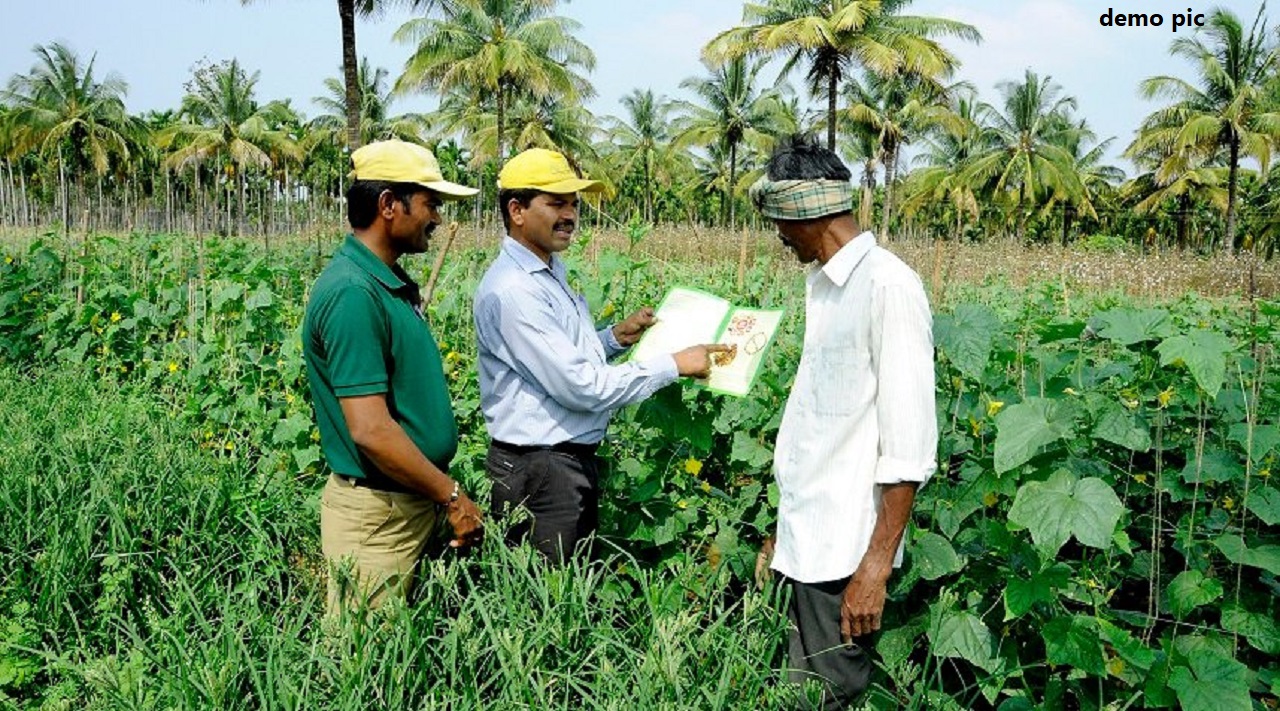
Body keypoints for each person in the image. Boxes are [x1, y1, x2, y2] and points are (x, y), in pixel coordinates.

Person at [749, 135, 938, 709]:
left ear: (805, 213)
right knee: (798, 695)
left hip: (843, 556)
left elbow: (908, 448)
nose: (778, 236)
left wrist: (874, 567)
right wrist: (783, 533)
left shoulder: (887, 286)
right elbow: (821, 432)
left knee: (830, 696)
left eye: (779, 222)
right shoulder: (828, 287)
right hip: (808, 544)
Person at [473, 147, 727, 562]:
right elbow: (581, 387)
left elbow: (555, 359)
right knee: (551, 593)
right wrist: (674, 364)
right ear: (516, 210)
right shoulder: (516, 291)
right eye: (556, 203)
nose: (570, 215)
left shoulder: (547, 271)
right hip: (540, 472)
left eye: (573, 204)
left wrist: (613, 339)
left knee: (568, 587)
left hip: (556, 466)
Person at [303, 139, 485, 614]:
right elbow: (370, 429)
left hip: (405, 504)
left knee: (403, 648)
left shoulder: (383, 283)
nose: (437, 218)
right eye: (430, 204)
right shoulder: (352, 293)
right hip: (378, 521)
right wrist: (451, 495)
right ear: (388, 205)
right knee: (365, 654)